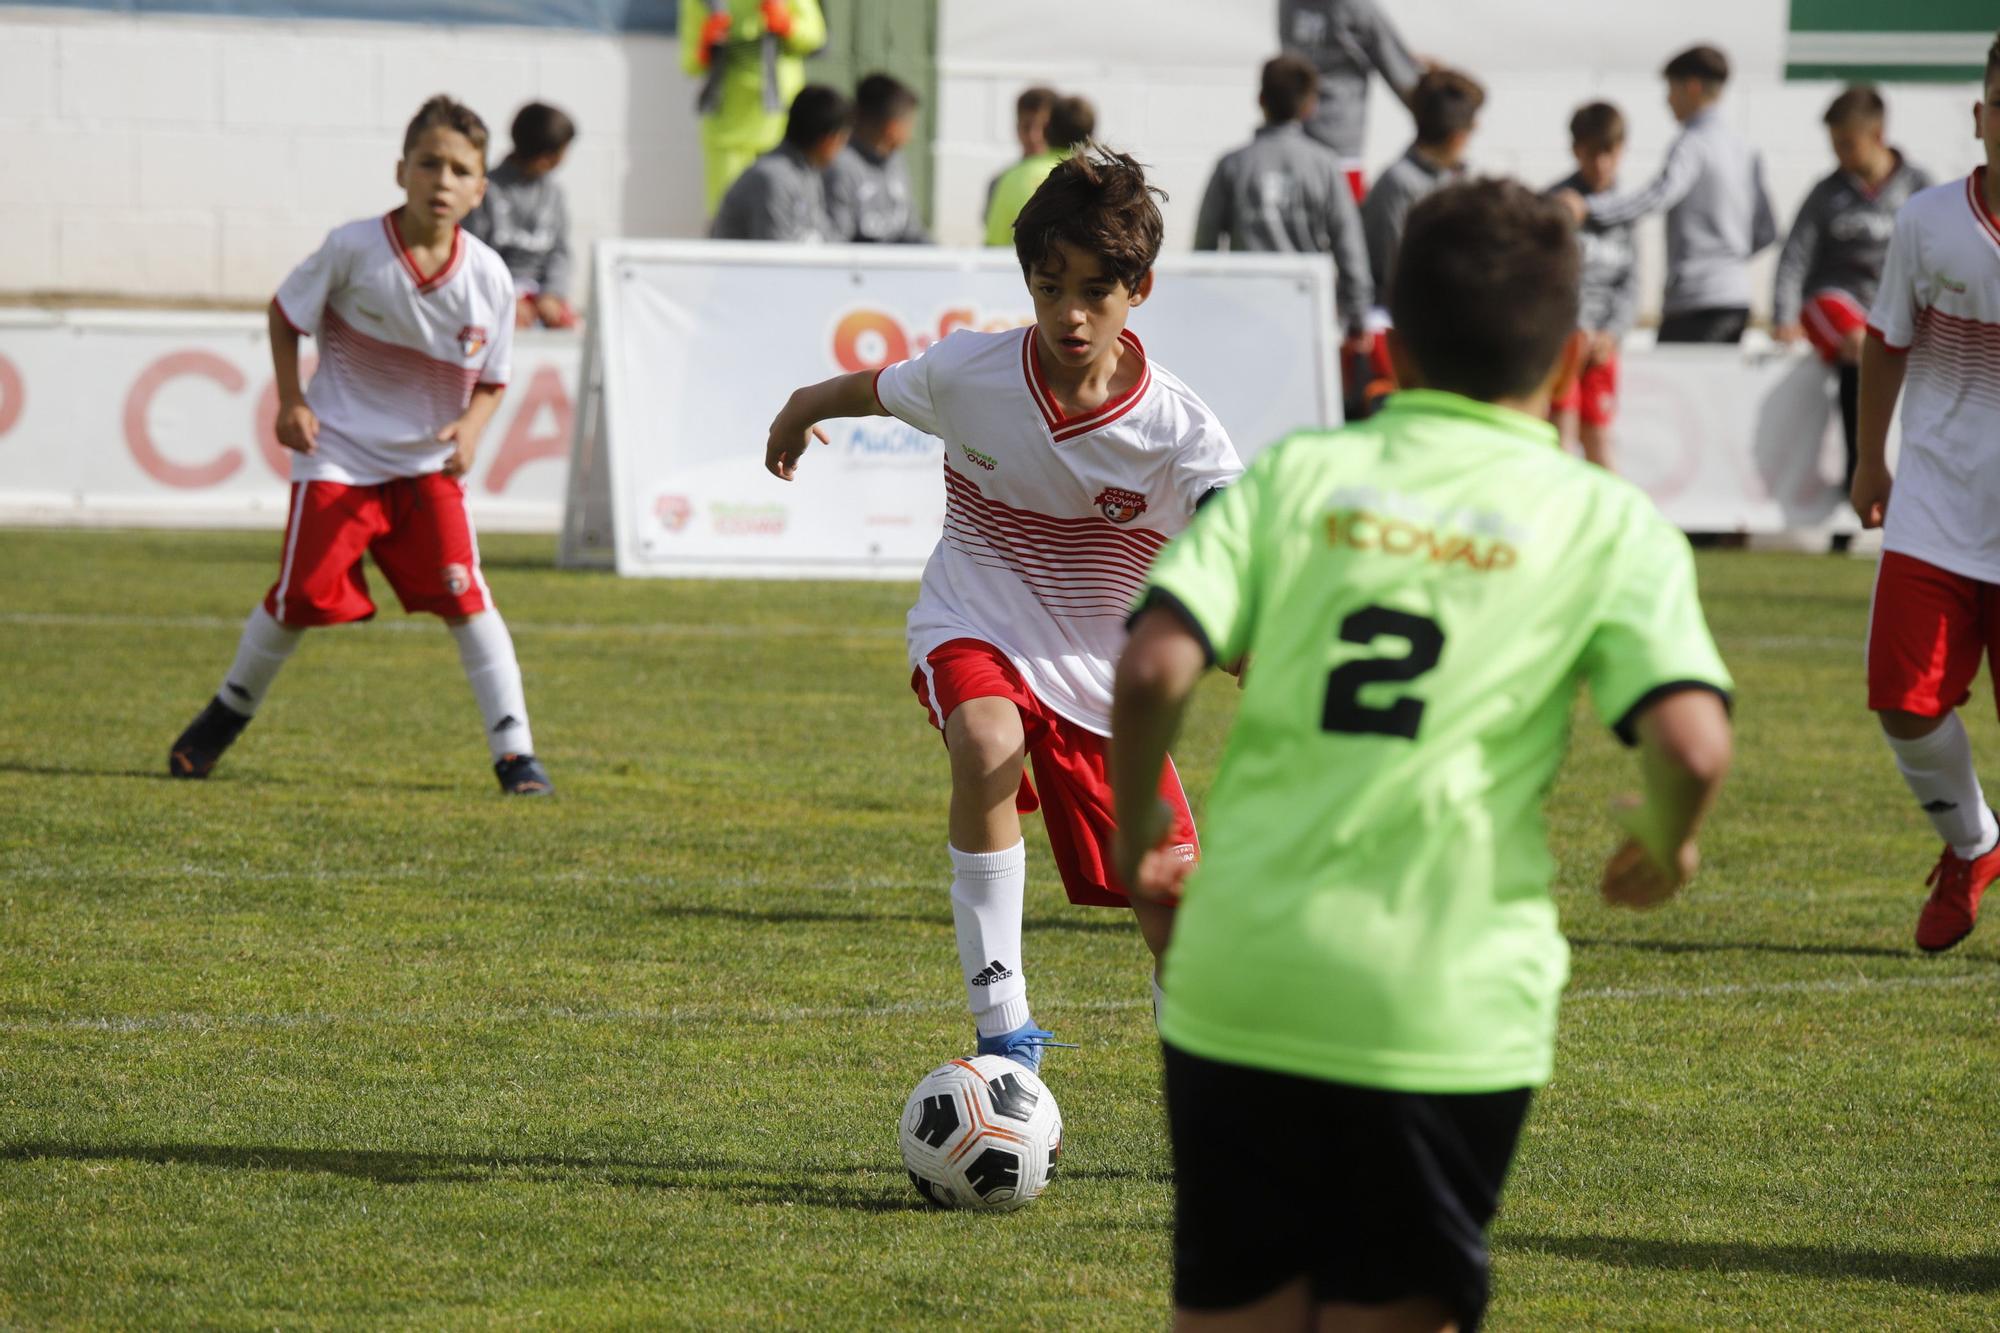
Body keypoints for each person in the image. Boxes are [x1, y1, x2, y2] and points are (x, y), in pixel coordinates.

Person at [1108, 178, 1732, 1333]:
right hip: (1444, 1002)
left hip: (1244, 969)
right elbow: (1691, 744)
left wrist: (1137, 833)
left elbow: (1150, 668)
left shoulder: (1297, 476)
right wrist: (1665, 842)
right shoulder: (1602, 521)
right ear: (1566, 356)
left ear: (1387, 340)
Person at [764, 148, 1242, 1069]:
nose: (1071, 312)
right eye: (1050, 285)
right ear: (1026, 280)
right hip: (975, 621)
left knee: (1177, 909)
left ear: (1139, 290)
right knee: (985, 741)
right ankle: (1004, 1031)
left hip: (1107, 681)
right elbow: (873, 390)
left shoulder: (1177, 429)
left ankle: (1212, 1097)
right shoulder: (970, 372)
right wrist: (798, 408)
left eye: (1097, 290)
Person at [167, 96, 551, 796]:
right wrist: (291, 399)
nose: (442, 179)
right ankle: (224, 714)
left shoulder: (489, 276)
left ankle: (516, 753)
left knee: (468, 599)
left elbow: (493, 382)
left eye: (459, 168)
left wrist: (470, 430)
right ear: (401, 170)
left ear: (479, 189)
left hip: (426, 467)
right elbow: (286, 316)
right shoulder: (353, 248)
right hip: (339, 456)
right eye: (428, 162)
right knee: (298, 598)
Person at [1849, 32, 2000, 954]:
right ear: (1982, 117)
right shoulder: (1929, 221)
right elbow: (1886, 336)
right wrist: (1871, 458)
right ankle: (1975, 845)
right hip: (1937, 509)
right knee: (1904, 698)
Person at [1558, 44, 1776, 345]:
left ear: (1693, 88)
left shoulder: (1693, 143)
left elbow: (1657, 196)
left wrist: (1589, 208)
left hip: (1694, 302)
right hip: (1736, 300)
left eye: (1671, 90)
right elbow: (1766, 230)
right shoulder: (1745, 148)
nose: (1668, 100)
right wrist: (1729, 261)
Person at [1773, 86, 1931, 490]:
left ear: (1877, 135)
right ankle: (1860, 475)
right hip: (1835, 306)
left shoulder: (1919, 187)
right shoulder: (1826, 193)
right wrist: (1783, 316)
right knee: (1861, 345)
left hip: (1893, 311)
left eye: (1847, 143)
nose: (1838, 155)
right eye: (1834, 144)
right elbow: (1795, 257)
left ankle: (1878, 479)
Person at [1194, 53, 1373, 355]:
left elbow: (1205, 245)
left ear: (1260, 99)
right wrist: (1357, 317)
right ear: (1310, 106)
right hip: (1305, 310)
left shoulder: (1232, 165)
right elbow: (1349, 245)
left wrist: (1203, 307)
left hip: (1243, 308)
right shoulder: (1325, 165)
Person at [1357, 67, 1482, 410]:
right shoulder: (1398, 185)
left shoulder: (1457, 180)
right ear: (1458, 135)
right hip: (1408, 344)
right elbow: (1393, 271)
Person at [1547, 101, 1637, 470]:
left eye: (1609, 154)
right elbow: (1546, 279)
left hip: (1602, 344)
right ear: (1575, 151)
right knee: (1561, 441)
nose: (1600, 166)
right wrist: (1572, 331)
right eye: (1590, 155)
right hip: (1565, 341)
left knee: (1600, 443)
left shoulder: (1625, 208)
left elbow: (1631, 283)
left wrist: (1612, 334)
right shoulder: (1556, 204)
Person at [680, 0, 828, 215]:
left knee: (783, 209)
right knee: (727, 214)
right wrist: (705, 45)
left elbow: (816, 37)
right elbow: (690, 63)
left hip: (781, 124)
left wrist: (787, 25)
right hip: (726, 129)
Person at [1279, 0, 1421, 203]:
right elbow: (1403, 76)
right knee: (1347, 226)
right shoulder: (1356, 8)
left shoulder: (1289, 4)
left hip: (1292, 134)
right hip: (1340, 142)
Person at [465, 101, 581, 330]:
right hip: (498, 292)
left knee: (573, 329)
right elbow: (473, 254)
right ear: (545, 157)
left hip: (542, 295)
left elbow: (560, 252)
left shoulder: (554, 195)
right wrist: (506, 298)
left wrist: (552, 293)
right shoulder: (487, 191)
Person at [710, 85, 851, 242]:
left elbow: (827, 237)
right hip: (743, 267)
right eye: (843, 139)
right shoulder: (773, 179)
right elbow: (774, 256)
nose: (842, 149)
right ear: (829, 139)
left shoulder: (808, 172)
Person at [824, 72, 929, 244]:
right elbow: (838, 240)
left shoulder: (896, 161)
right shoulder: (840, 165)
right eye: (909, 124)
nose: (912, 135)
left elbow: (912, 228)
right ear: (892, 127)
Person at [983, 95, 1095, 247]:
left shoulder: (1010, 179)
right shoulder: (1095, 178)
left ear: (1049, 129)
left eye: (1040, 127)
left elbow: (993, 247)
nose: (1033, 136)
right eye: (1026, 126)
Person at [983, 86, 1058, 229]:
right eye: (1026, 126)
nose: (1034, 136)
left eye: (1043, 127)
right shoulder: (999, 182)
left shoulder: (1071, 177)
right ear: (1016, 127)